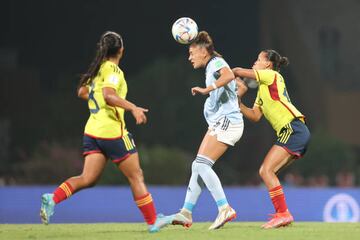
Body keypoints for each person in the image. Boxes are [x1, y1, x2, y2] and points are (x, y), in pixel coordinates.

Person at [40, 31, 171, 233]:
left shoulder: (98, 69)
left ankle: (53, 198)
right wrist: (132, 107)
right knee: (137, 176)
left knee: (88, 179)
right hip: (113, 133)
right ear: (121, 51)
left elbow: (82, 92)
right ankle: (153, 220)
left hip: (92, 133)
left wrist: (100, 101)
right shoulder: (113, 71)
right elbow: (109, 95)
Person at [169, 31, 244, 230]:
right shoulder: (213, 64)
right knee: (197, 165)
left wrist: (207, 89)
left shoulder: (215, 63)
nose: (189, 56)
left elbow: (228, 75)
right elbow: (233, 82)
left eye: (192, 52)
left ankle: (224, 208)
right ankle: (186, 212)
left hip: (228, 121)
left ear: (203, 51)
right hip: (220, 122)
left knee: (202, 165)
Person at [232, 49, 311, 228]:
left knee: (265, 171)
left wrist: (223, 73)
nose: (254, 62)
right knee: (267, 172)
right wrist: (238, 101)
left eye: (258, 59)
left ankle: (283, 214)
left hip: (293, 128)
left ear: (267, 64)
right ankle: (282, 214)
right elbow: (254, 116)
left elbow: (238, 70)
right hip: (295, 131)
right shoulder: (262, 90)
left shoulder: (271, 75)